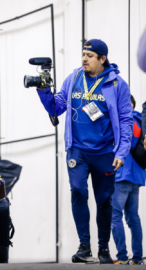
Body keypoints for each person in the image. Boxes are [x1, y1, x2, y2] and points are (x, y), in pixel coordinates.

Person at [36, 39, 132, 264]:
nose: (84, 59)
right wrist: (42, 90)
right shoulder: (74, 78)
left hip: (105, 151)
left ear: (102, 59)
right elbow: (56, 107)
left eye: (90, 56)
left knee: (104, 200)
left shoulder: (117, 84)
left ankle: (104, 248)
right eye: (83, 54)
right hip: (77, 149)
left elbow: (126, 120)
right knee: (78, 190)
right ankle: (84, 246)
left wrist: (121, 152)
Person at [112, 95, 144, 265]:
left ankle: (123, 257)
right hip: (137, 176)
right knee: (133, 217)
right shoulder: (140, 121)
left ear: (129, 104)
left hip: (122, 173)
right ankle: (137, 258)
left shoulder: (126, 122)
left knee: (115, 215)